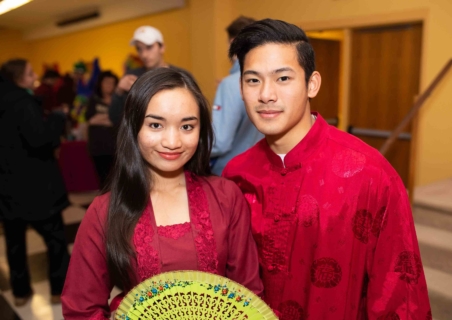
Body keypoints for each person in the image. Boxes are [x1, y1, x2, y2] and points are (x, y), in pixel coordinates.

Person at [223, 19, 431, 319]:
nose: (266, 94)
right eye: (253, 80)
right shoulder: (237, 174)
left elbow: (400, 294)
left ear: (312, 84)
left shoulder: (369, 174)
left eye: (283, 79)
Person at [61, 68, 263, 319]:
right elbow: (82, 308)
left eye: (187, 126)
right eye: (156, 124)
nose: (172, 141)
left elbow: (248, 293)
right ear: (134, 127)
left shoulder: (226, 196)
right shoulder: (106, 210)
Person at [0, 59, 70, 306]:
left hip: (7, 189)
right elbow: (40, 140)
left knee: (15, 244)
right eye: (31, 73)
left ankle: (20, 293)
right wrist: (58, 118)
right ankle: (58, 290)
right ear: (19, 78)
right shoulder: (22, 103)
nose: (35, 77)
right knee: (56, 241)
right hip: (36, 187)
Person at [109, 26, 194, 126]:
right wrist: (119, 91)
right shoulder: (131, 77)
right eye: (139, 49)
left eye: (149, 47)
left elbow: (195, 113)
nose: (144, 54)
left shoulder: (182, 76)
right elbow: (114, 118)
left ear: (162, 47)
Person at [210, 16, 263, 175]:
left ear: (233, 43)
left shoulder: (231, 84)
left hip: (228, 174)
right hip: (256, 170)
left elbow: (220, 142)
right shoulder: (267, 81)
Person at [85, 70, 119, 187]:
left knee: (116, 181)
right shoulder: (94, 100)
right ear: (100, 83)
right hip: (97, 148)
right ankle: (105, 204)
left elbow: (118, 120)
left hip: (115, 147)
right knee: (103, 181)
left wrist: (100, 118)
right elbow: (90, 120)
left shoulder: (118, 101)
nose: (109, 85)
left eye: (112, 83)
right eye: (106, 82)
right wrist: (110, 116)